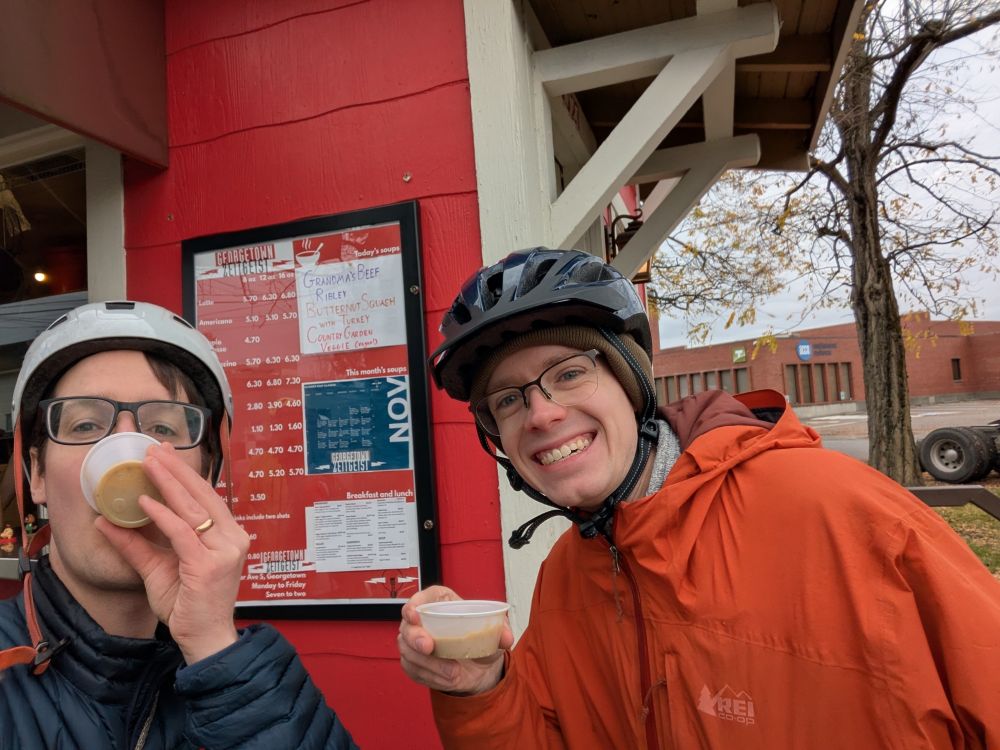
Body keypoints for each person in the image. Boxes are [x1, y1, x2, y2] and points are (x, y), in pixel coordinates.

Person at [398, 248, 1000, 749]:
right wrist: (478, 690)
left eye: (570, 372)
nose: (542, 413)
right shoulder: (565, 577)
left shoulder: (838, 508)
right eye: (507, 400)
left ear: (630, 381)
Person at [0, 300, 357, 749]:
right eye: (86, 423)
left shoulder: (252, 677)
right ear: (38, 475)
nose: (129, 459)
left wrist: (215, 650)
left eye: (164, 430)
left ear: (207, 474)